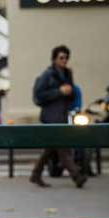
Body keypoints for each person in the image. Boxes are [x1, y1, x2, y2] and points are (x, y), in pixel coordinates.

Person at [30, 44, 87, 188]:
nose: (65, 60)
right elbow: (38, 96)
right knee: (62, 147)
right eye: (61, 57)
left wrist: (70, 91)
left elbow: (72, 95)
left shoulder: (67, 74)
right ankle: (77, 176)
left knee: (51, 147)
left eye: (66, 57)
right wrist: (59, 91)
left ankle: (36, 174)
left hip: (62, 115)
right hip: (50, 116)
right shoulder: (47, 74)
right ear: (54, 59)